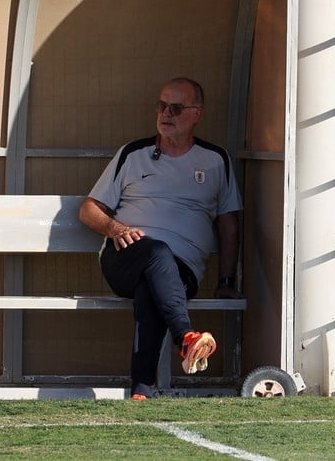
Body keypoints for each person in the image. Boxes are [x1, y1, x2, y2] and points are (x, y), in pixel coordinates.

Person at [79, 77, 243, 400]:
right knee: (155, 252)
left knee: (151, 287)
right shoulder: (133, 154)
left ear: (197, 114)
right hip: (125, 255)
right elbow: (88, 210)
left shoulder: (215, 160)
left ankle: (141, 390)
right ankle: (186, 336)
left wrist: (225, 278)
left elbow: (229, 226)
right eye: (162, 106)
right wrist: (116, 229)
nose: (166, 113)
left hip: (183, 271)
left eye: (177, 108)